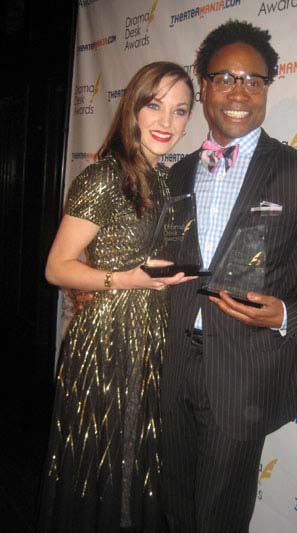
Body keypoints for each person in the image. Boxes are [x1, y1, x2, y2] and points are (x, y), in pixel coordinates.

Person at [161, 20, 297, 532]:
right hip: (170, 367)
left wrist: (290, 311)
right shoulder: (176, 174)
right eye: (224, 77)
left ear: (268, 86)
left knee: (221, 515)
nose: (239, 91)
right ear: (202, 85)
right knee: (173, 504)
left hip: (244, 375)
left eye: (254, 79)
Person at [38, 62, 195, 533]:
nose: (167, 122)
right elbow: (56, 267)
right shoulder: (106, 177)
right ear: (133, 108)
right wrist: (126, 280)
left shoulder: (166, 181)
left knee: (137, 460)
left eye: (181, 110)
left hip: (151, 334)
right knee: (107, 455)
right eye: (155, 105)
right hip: (107, 341)